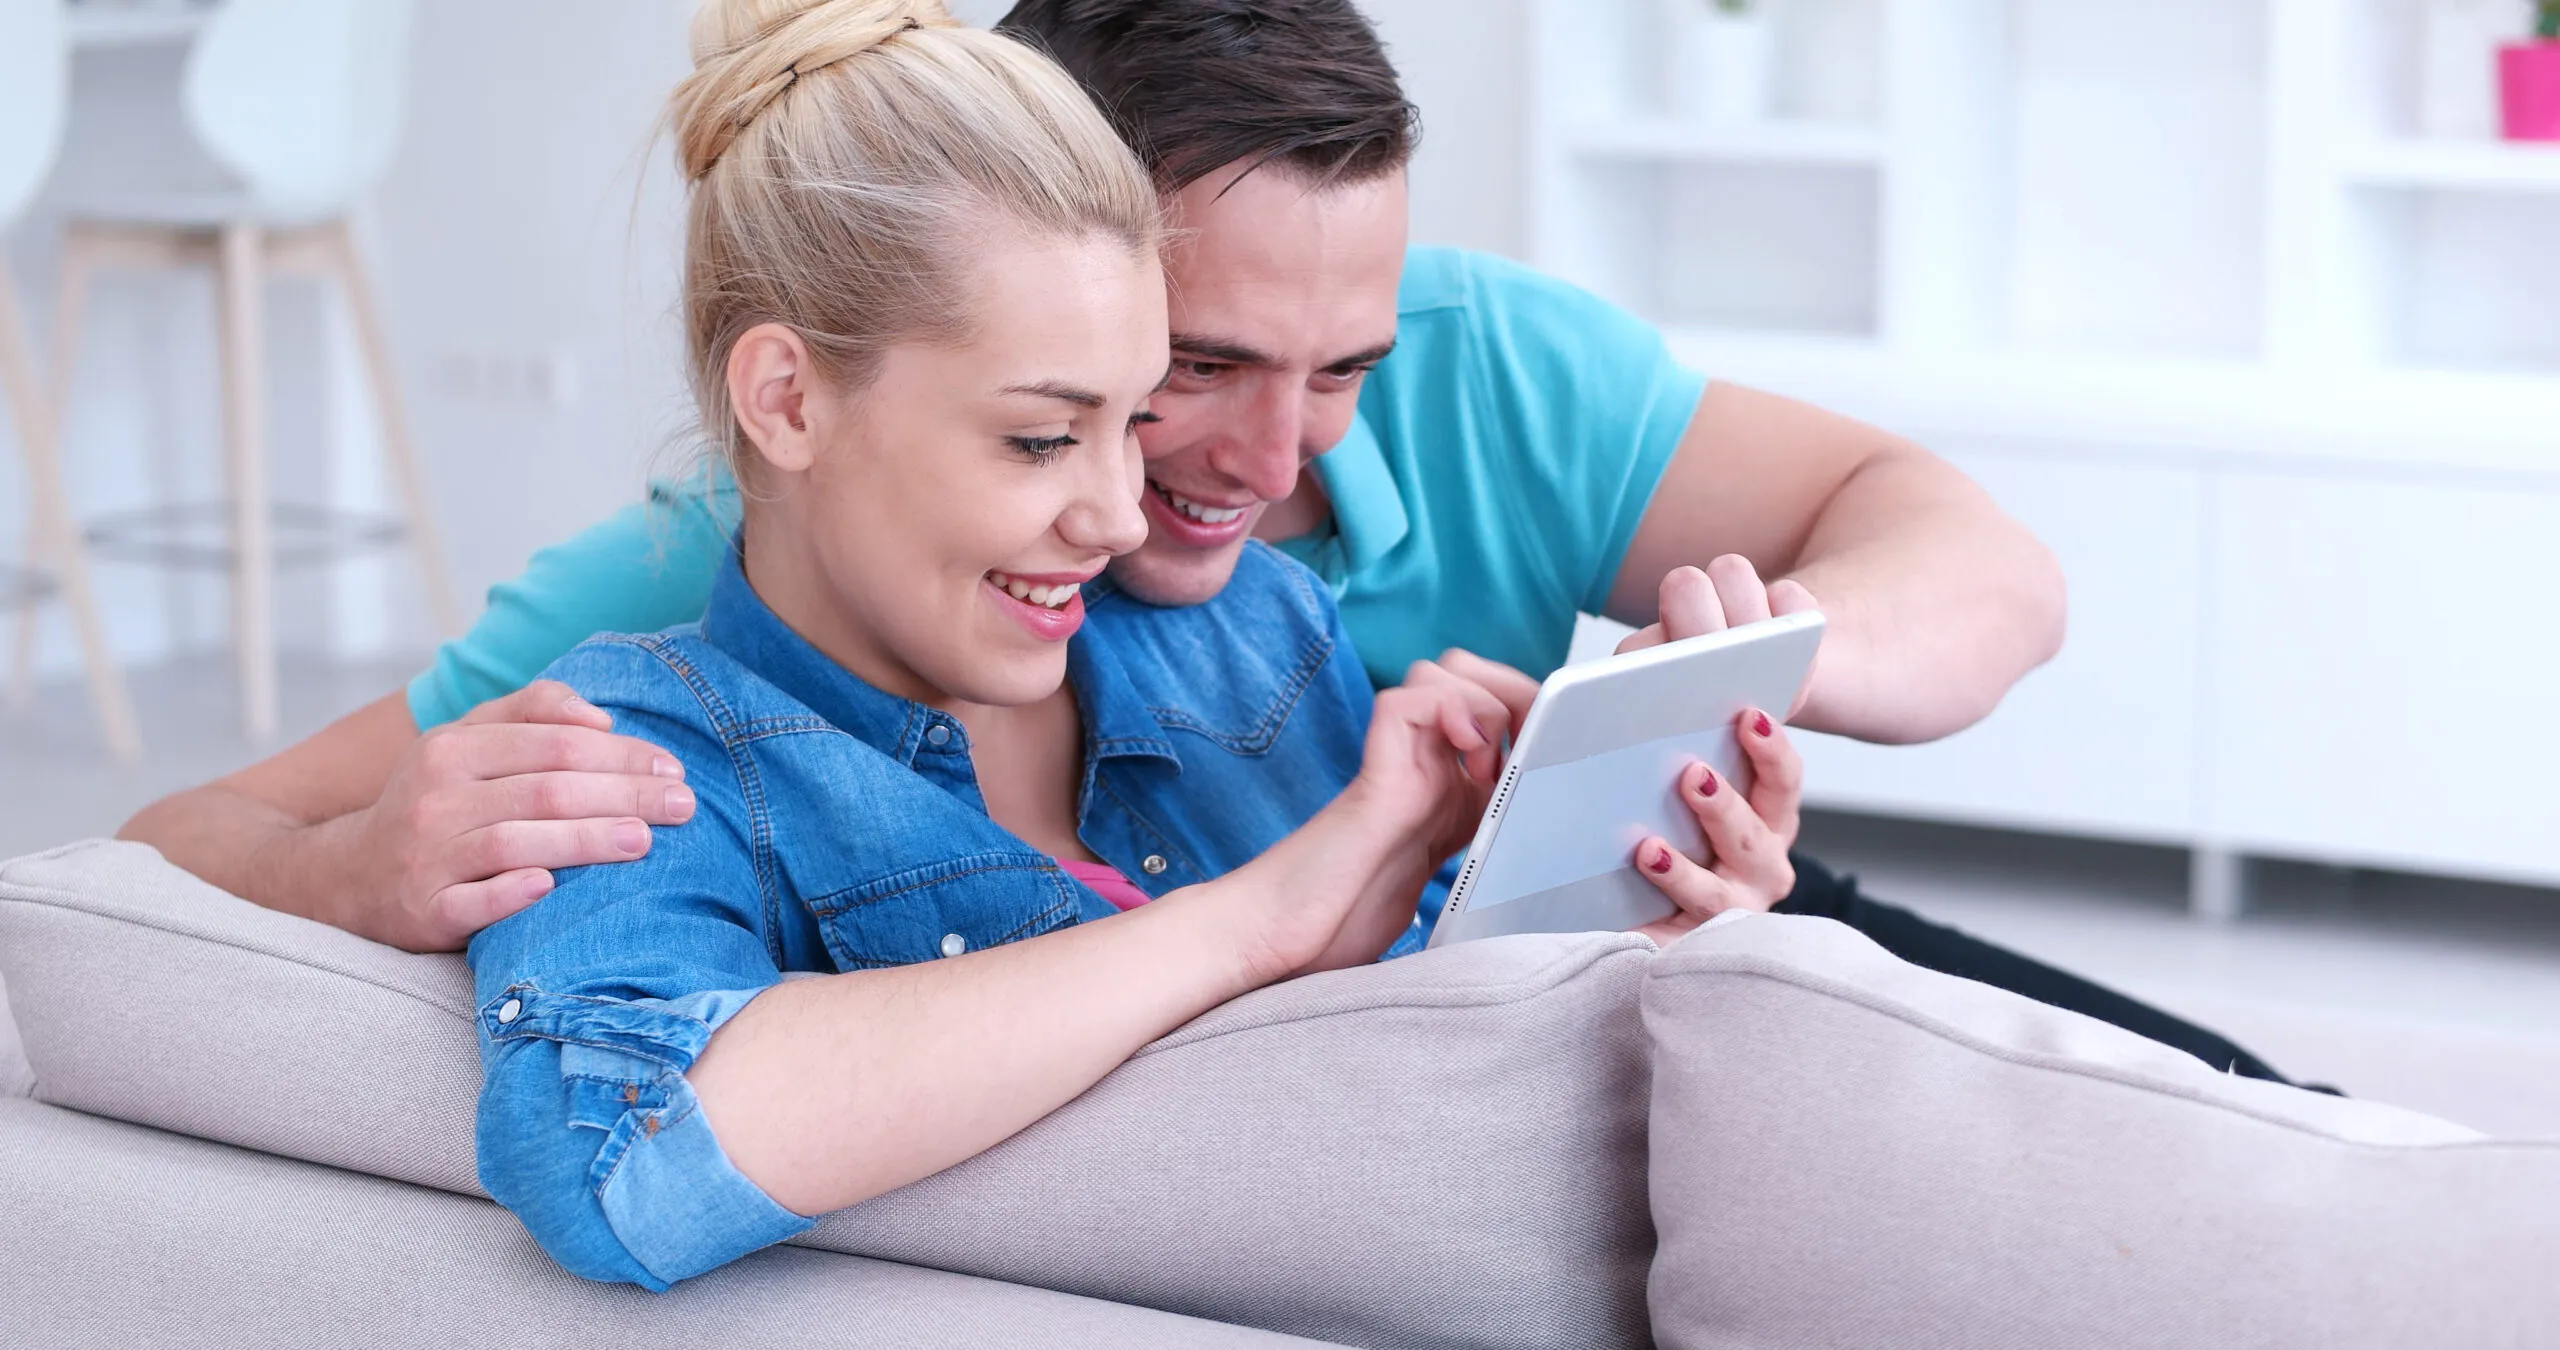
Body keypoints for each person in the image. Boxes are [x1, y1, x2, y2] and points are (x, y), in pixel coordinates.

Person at [118, 0, 2300, 1084]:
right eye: (1185, 364)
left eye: (1339, 366)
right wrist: (340, 874)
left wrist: (1718, 691)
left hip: (1626, 927)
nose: (1268, 456)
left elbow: (1983, 569)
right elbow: (168, 843)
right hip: (1369, 1034)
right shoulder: (739, 564)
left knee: (2238, 1122)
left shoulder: (1468, 357)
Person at [464, 0, 1800, 1287]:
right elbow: (625, 1157)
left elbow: (1437, 1087)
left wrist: (1626, 915)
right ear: (788, 399)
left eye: (1131, 420)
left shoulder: (1248, 632)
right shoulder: (636, 754)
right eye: (1044, 436)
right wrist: (1262, 916)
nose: (1113, 515)